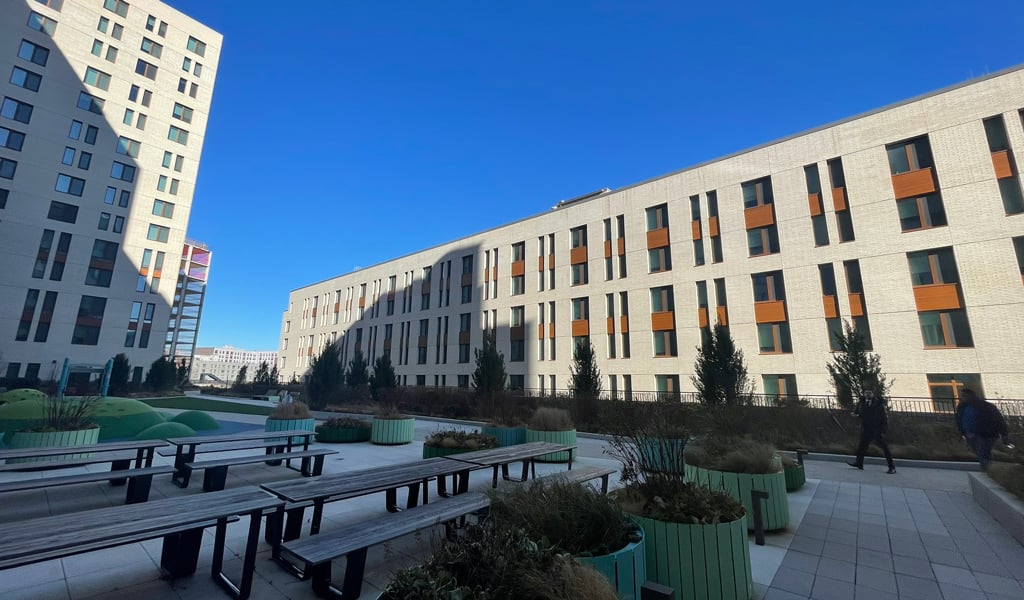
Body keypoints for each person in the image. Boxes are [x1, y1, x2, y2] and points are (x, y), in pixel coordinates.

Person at [955, 389, 1010, 469]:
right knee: (981, 453)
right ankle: (990, 469)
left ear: (971, 396)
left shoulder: (984, 406)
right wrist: (962, 432)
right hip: (971, 435)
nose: (962, 398)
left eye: (965, 396)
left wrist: (1004, 434)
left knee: (983, 453)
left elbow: (999, 419)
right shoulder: (962, 407)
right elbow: (960, 420)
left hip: (985, 434)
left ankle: (988, 471)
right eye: (962, 396)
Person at [848, 387, 896, 474]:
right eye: (866, 392)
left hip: (876, 429)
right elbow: (859, 413)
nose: (868, 394)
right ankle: (859, 463)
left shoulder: (878, 404)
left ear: (873, 394)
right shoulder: (861, 402)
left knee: (885, 448)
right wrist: (855, 415)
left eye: (870, 392)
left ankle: (892, 467)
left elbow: (884, 418)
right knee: (861, 447)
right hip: (866, 429)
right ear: (864, 393)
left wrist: (883, 430)